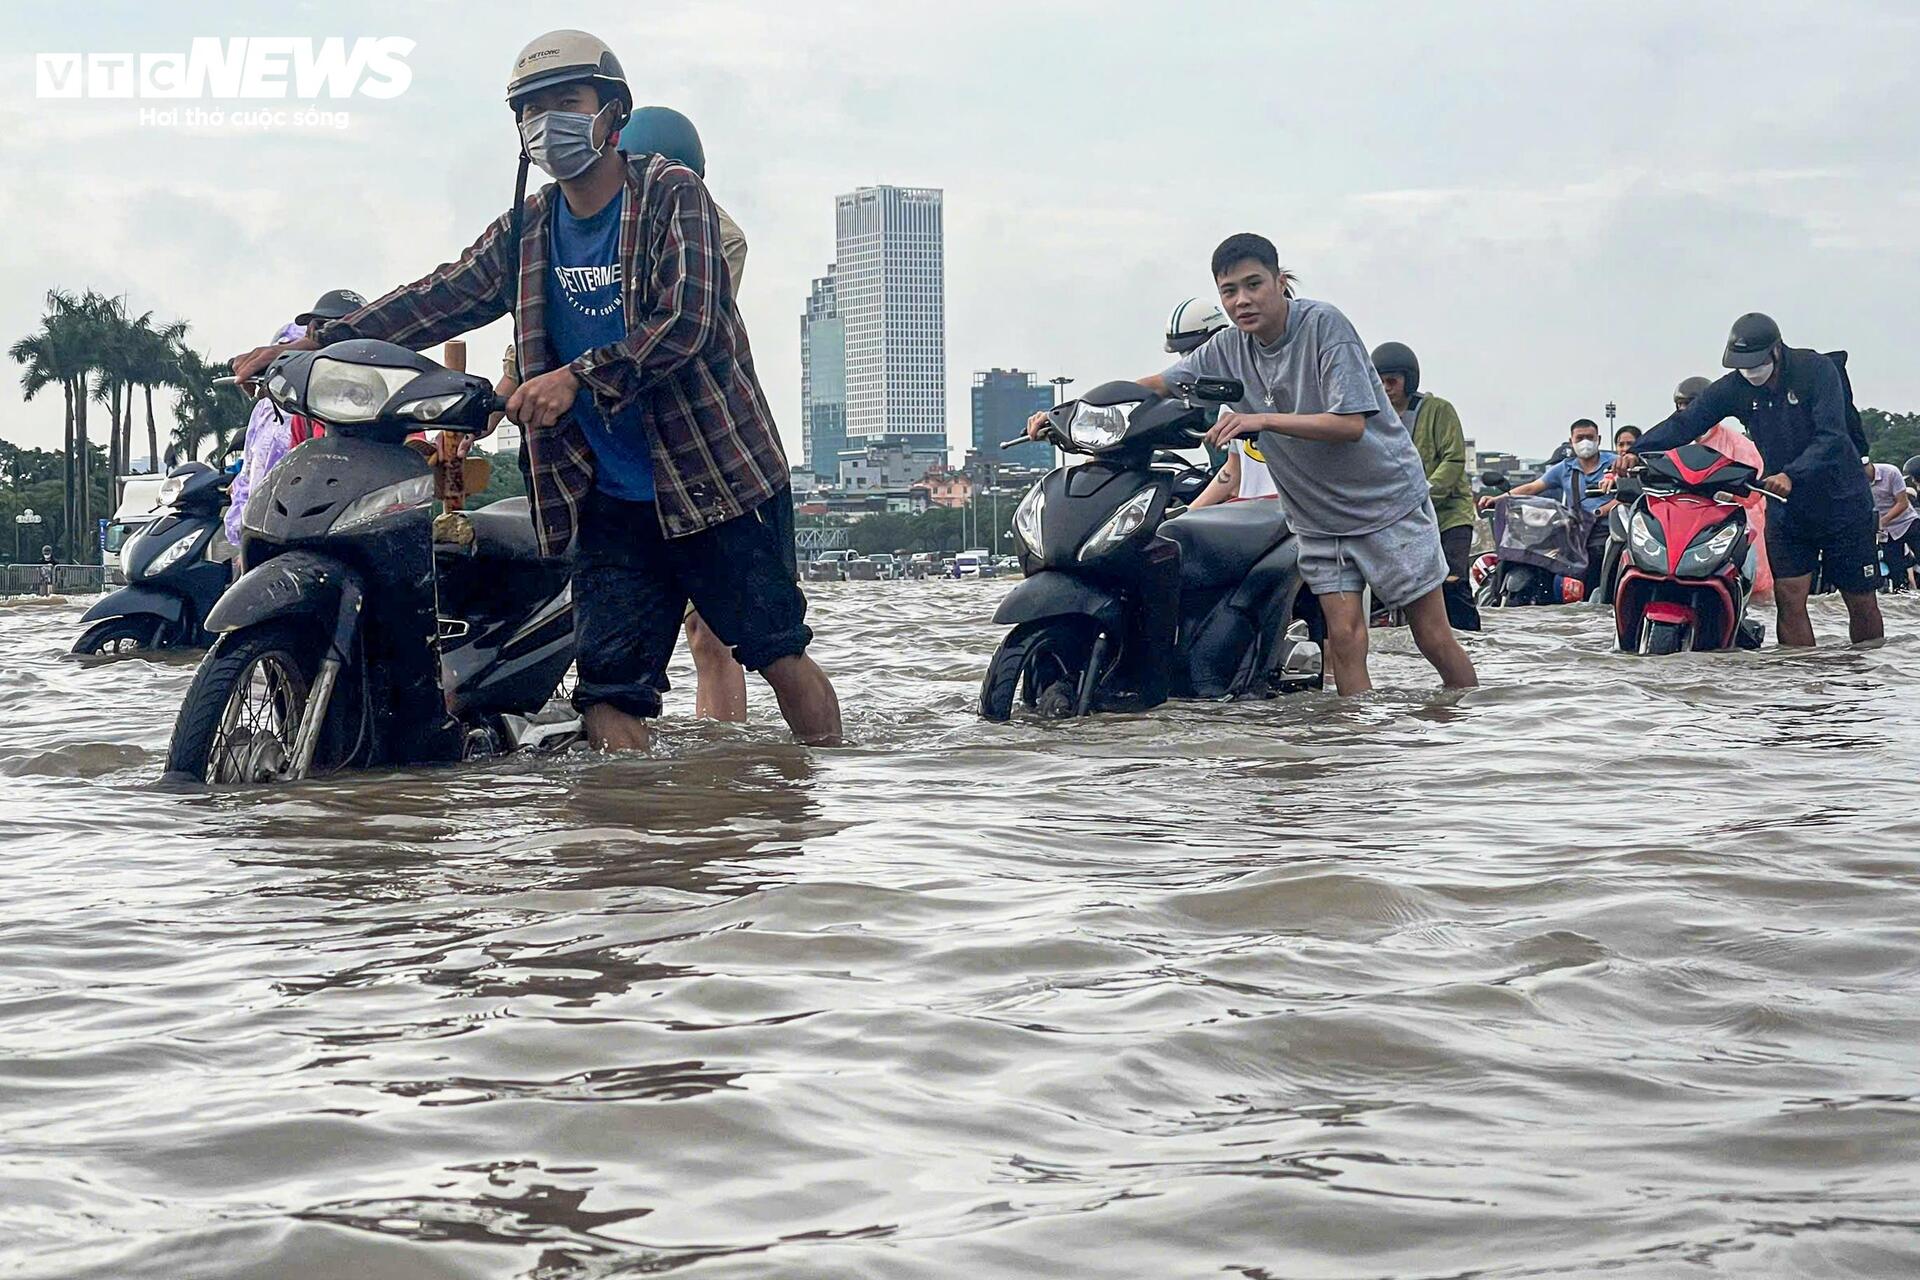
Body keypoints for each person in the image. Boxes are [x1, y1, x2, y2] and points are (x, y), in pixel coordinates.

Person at [230, 28, 840, 749]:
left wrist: (577, 377)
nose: (547, 122)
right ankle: (635, 823)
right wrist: (317, 341)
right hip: (609, 499)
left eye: (566, 102)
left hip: (712, 481)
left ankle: (828, 791)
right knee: (607, 699)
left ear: (613, 112)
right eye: (530, 109)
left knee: (776, 654)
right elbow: (440, 296)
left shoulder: (671, 194)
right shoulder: (530, 228)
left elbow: (690, 320)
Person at [1035, 233, 1476, 696]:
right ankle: (1356, 737)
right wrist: (1067, 411)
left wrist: (1261, 419)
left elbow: (1349, 425)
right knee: (1344, 640)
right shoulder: (1228, 348)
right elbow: (1159, 384)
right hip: (1317, 517)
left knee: (1432, 636)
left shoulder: (1324, 326)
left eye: (1253, 284)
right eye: (1229, 291)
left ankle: (1464, 723)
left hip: (1386, 504)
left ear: (1280, 281)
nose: (1242, 300)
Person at [1627, 312, 1882, 647]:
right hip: (1786, 506)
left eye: (1755, 364)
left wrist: (1792, 474)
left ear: (1776, 350)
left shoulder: (1816, 371)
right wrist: (1638, 451)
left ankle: (1865, 672)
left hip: (1841, 501)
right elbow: (1686, 423)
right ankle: (1801, 675)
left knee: (1860, 598)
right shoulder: (1735, 387)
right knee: (1789, 597)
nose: (1749, 372)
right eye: (1741, 366)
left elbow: (1832, 436)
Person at [224, 292, 360, 546]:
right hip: (292, 532)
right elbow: (274, 474)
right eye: (316, 329)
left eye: (334, 330)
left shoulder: (385, 405)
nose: (322, 338)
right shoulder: (296, 413)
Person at [1483, 419, 1616, 595]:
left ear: (1598, 439)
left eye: (1590, 437)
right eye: (1580, 438)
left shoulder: (1615, 464)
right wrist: (1498, 499)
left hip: (1607, 531)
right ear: (1571, 441)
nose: (1585, 442)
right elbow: (1532, 488)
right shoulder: (1564, 468)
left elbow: (1628, 496)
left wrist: (1602, 511)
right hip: (1575, 532)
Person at [1671, 374, 1773, 601]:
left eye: (1691, 404)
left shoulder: (1739, 445)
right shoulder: (1671, 441)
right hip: (1683, 523)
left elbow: (1755, 490)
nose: (1686, 410)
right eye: (1681, 405)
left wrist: (1728, 493)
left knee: (1753, 596)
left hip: (1730, 523)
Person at [1172, 298, 1278, 508]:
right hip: (1250, 514)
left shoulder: (1298, 393)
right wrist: (1187, 512)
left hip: (1286, 515)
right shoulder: (1230, 402)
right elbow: (1232, 469)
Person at [1866, 457, 1915, 591]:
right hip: (1886, 532)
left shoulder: (1890, 472)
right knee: (1895, 571)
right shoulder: (1854, 481)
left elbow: (1903, 503)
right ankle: (1902, 593)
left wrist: (1881, 522)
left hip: (1907, 522)